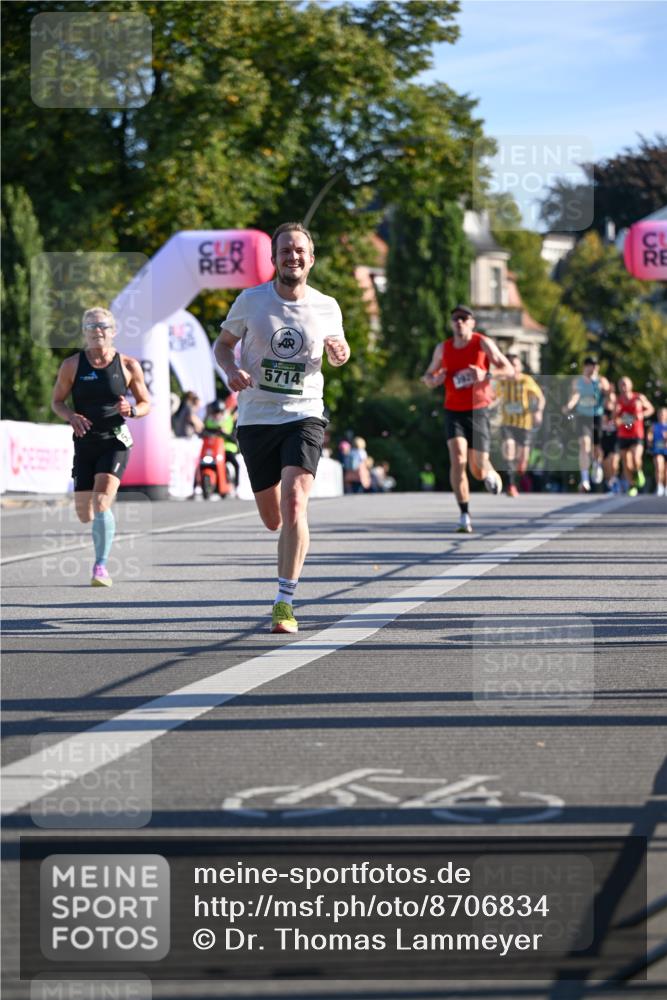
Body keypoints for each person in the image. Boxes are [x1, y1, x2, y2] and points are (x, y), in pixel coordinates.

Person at [213, 221, 350, 634]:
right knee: (273, 519)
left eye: (300, 251)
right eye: (285, 251)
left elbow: (339, 353)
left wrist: (341, 352)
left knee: (295, 503)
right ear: (274, 259)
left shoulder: (327, 306)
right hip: (257, 418)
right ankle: (284, 583)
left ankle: (284, 603)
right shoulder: (251, 301)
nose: (293, 257)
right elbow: (222, 346)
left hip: (304, 413)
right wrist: (231, 369)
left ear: (311, 259)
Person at [51, 307, 150, 587]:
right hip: (85, 443)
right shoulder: (72, 365)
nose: (97, 331)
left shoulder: (128, 365)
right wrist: (70, 416)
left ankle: (101, 566)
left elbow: (146, 404)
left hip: (115, 441)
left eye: (103, 326)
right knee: (85, 513)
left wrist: (131, 410)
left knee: (102, 499)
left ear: (113, 331)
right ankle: (100, 524)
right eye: (91, 326)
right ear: (83, 332)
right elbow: (57, 401)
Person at [421, 304, 514, 533]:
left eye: (464, 318)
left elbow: (510, 370)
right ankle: (464, 514)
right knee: (458, 459)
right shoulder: (443, 349)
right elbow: (427, 375)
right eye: (455, 319)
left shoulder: (482, 343)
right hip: (453, 410)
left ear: (472, 322)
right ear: (452, 323)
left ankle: (490, 473)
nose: (459, 322)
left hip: (479, 408)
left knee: (478, 468)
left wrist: (486, 374)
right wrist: (434, 379)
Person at [494, 354, 545, 497]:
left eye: (515, 365)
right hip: (507, 423)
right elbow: (495, 397)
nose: (513, 368)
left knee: (522, 463)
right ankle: (510, 485)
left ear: (520, 367)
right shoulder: (502, 381)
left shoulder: (526, 380)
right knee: (509, 449)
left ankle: (518, 473)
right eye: (510, 365)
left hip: (524, 424)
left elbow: (540, 397)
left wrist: (538, 412)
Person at [562, 357, 610, 492]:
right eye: (589, 365)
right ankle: (584, 479)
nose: (592, 368)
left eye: (594, 365)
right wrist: (569, 406)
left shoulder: (601, 380)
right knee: (584, 443)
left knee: (597, 448)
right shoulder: (578, 381)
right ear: (584, 367)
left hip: (597, 416)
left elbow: (608, 393)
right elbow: (575, 395)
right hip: (582, 416)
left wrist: (602, 387)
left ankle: (596, 464)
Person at [615, 376, 654, 496]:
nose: (623, 386)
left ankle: (638, 471)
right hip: (623, 434)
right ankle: (632, 486)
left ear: (631, 385)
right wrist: (620, 418)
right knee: (626, 462)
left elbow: (651, 409)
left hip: (637, 434)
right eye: (621, 384)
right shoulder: (618, 400)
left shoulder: (639, 397)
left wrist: (641, 413)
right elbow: (615, 419)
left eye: (625, 384)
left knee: (636, 457)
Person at [648, 406, 667, 496]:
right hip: (657, 449)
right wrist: (649, 440)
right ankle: (659, 486)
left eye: (663, 414)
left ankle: (666, 486)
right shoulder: (654, 426)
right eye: (660, 414)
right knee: (659, 467)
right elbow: (649, 436)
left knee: (666, 470)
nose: (661, 415)